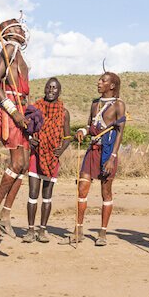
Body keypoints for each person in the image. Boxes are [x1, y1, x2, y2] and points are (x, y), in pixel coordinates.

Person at [61, 72, 126, 246]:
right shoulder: (95, 104)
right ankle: (78, 230)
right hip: (92, 150)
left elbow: (120, 132)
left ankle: (102, 233)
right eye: (99, 80)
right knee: (81, 189)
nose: (99, 82)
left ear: (112, 86)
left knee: (106, 192)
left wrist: (112, 157)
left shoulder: (118, 105)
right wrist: (83, 131)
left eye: (103, 80)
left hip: (107, 152)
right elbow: (91, 126)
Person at [0, 17, 30, 238]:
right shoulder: (8, 48)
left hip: (21, 111)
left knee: (25, 165)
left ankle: (5, 214)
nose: (23, 30)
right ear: (9, 32)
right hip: (10, 110)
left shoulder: (20, 54)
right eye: (18, 27)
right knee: (17, 162)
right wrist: (14, 111)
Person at [23, 78, 70, 243]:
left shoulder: (64, 112)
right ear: (44, 88)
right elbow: (26, 128)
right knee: (32, 194)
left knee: (47, 195)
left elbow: (68, 137)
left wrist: (62, 149)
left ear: (59, 91)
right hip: (36, 155)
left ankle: (42, 230)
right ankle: (30, 231)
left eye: (54, 88)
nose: (51, 90)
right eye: (48, 87)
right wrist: (30, 138)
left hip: (52, 157)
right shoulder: (36, 108)